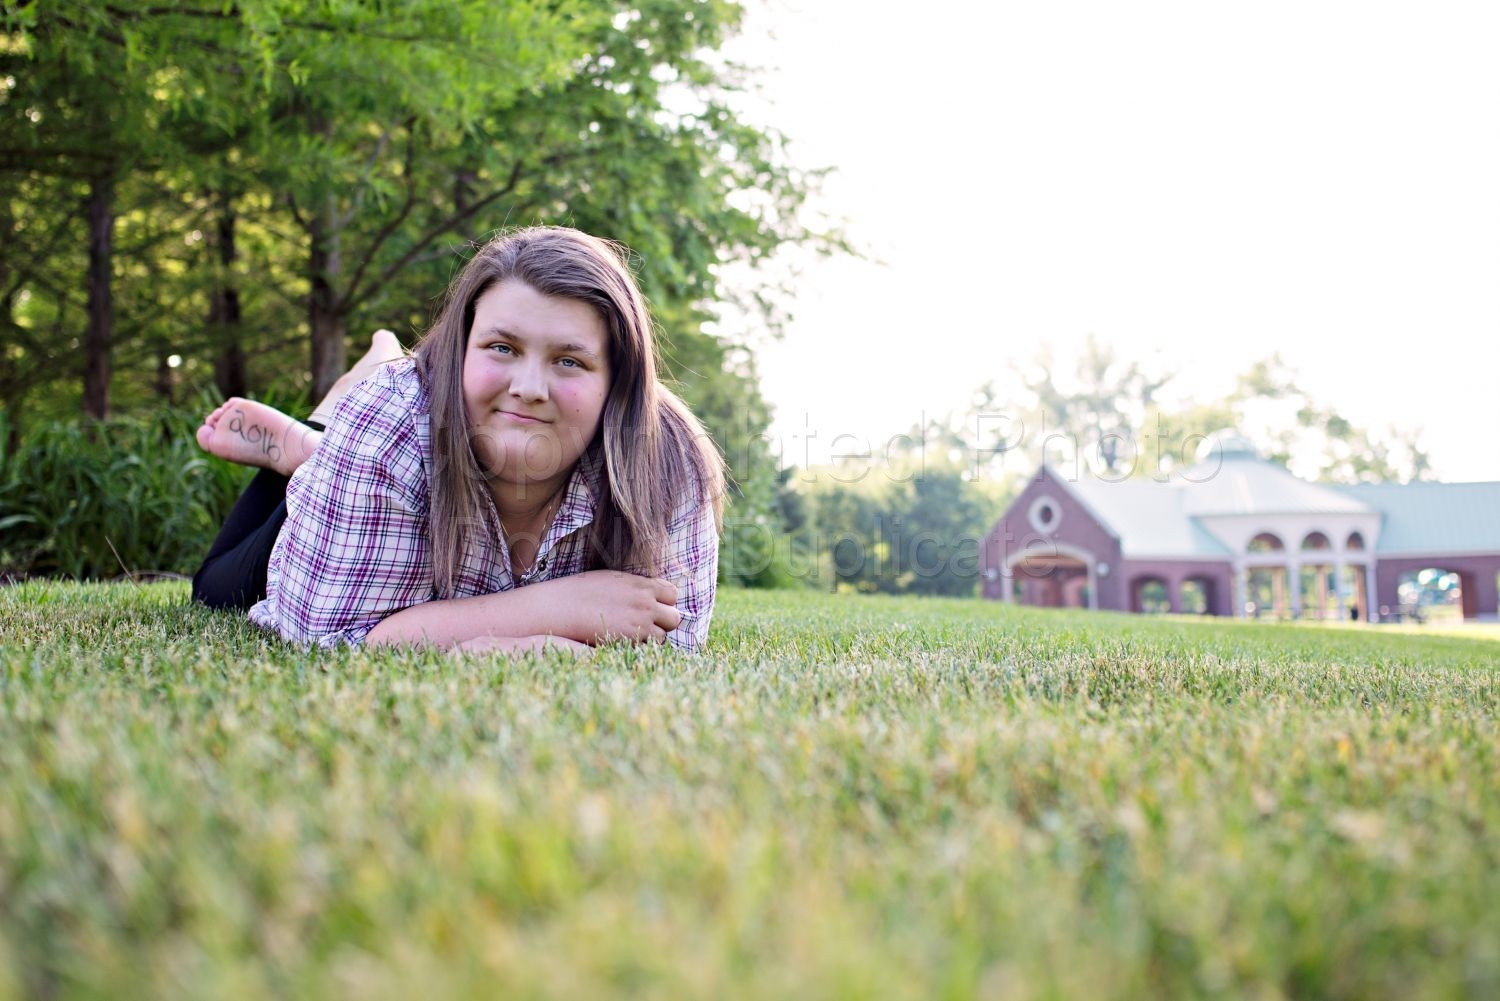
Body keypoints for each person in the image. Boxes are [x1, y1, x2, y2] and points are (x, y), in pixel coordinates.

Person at [191, 227, 725, 654]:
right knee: (216, 591)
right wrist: (554, 613)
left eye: (569, 360)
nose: (529, 389)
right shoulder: (390, 424)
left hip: (384, 470)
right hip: (360, 481)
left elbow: (673, 646)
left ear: (618, 379)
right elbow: (321, 637)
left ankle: (312, 446)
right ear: (458, 351)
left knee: (369, 456)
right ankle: (323, 441)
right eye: (501, 347)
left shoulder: (668, 457)